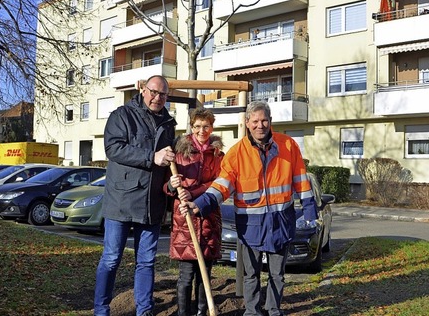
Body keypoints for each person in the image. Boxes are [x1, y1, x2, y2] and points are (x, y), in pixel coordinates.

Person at [180, 101, 318, 316]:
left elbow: (301, 180)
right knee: (251, 274)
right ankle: (252, 312)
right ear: (247, 123)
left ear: (270, 121)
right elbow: (222, 185)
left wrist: (310, 210)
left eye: (264, 120)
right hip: (250, 225)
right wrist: (199, 205)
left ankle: (274, 310)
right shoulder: (236, 153)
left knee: (277, 274)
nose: (260, 125)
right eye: (255, 121)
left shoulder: (288, 145)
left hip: (280, 222)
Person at [94, 75, 177, 316]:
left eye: (162, 94)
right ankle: (101, 311)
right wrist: (152, 156)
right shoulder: (122, 115)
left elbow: (167, 162)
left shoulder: (168, 124)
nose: (157, 98)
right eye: (153, 92)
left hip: (151, 204)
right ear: (143, 90)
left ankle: (144, 311)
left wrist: (171, 184)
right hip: (120, 201)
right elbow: (113, 149)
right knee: (111, 259)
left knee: (147, 262)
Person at [166, 108, 224, 316]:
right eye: (198, 126)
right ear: (191, 126)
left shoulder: (217, 155)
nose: (202, 130)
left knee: (205, 273)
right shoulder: (178, 154)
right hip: (184, 219)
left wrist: (195, 194)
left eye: (206, 126)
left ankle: (202, 311)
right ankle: (184, 313)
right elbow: (166, 187)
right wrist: (172, 186)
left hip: (208, 216)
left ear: (212, 127)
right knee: (186, 273)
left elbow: (218, 183)